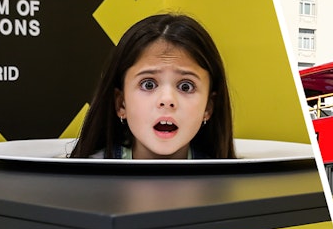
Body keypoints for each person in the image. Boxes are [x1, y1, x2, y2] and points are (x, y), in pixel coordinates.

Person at [71, 13, 235, 160]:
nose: (167, 100)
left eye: (186, 87)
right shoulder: (85, 178)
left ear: (208, 107)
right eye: (148, 84)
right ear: (121, 103)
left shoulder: (229, 182)